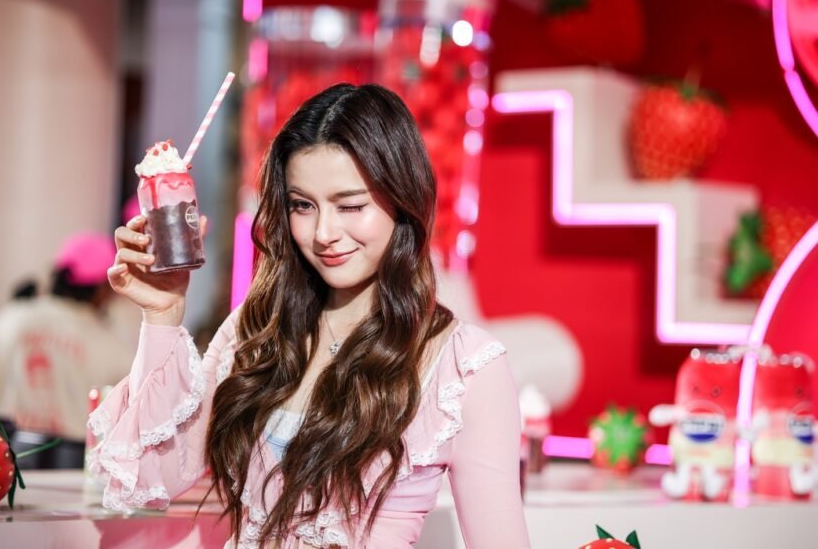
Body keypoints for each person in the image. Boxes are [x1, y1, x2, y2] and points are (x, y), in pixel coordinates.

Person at [89, 83, 530, 548]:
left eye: (350, 205)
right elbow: (149, 477)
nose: (323, 233)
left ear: (403, 199)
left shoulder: (464, 366)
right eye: (303, 205)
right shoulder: (255, 331)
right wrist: (162, 314)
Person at [0, 232, 134, 469]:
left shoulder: (13, 317)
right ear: (103, 287)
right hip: (73, 464)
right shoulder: (111, 342)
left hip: (4, 458)